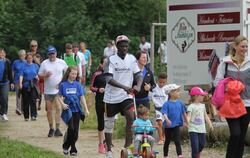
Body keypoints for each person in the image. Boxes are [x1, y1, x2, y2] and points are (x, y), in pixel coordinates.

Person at [103, 35, 143, 158]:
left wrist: (138, 86)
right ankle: (109, 150)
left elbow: (138, 75)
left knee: (131, 117)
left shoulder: (131, 59)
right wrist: (124, 86)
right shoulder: (110, 59)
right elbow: (108, 78)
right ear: (117, 46)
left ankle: (127, 147)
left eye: (126, 46)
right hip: (111, 96)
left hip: (126, 96)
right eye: (122, 46)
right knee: (109, 124)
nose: (125, 48)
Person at [214, 35, 250, 158]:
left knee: (241, 136)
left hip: (247, 104)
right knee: (235, 134)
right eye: (242, 46)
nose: (244, 49)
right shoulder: (225, 63)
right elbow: (218, 82)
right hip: (230, 104)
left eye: (246, 46)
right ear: (235, 46)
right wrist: (229, 87)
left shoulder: (249, 62)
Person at [57, 66, 89, 156]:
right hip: (68, 110)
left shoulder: (78, 85)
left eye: (75, 74)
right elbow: (58, 96)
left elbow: (82, 97)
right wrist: (62, 104)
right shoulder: (63, 85)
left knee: (75, 132)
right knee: (71, 128)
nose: (74, 75)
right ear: (68, 73)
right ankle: (71, 147)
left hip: (77, 110)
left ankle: (68, 146)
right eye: (72, 73)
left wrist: (86, 109)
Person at [38, 46, 68, 137]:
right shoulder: (44, 63)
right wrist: (45, 75)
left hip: (58, 91)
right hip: (48, 91)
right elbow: (39, 75)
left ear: (56, 53)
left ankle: (58, 128)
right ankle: (51, 128)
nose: (52, 55)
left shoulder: (61, 62)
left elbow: (67, 72)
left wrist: (63, 82)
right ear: (48, 54)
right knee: (49, 110)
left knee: (59, 108)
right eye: (50, 54)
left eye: (53, 53)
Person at [161, 84, 188, 158]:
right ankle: (165, 155)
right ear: (171, 93)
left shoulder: (180, 103)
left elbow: (184, 114)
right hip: (168, 126)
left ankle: (179, 155)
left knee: (177, 140)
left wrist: (187, 123)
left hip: (176, 125)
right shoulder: (166, 104)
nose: (179, 93)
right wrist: (167, 120)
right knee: (167, 141)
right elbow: (164, 114)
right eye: (177, 91)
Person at [187, 87, 213, 158]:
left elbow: (206, 116)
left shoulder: (202, 106)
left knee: (202, 144)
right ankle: (195, 155)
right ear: (196, 96)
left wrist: (210, 124)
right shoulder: (191, 106)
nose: (203, 96)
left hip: (202, 129)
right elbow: (188, 116)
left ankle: (197, 154)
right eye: (201, 95)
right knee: (195, 146)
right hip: (193, 129)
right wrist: (187, 123)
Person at [90, 57, 106, 154]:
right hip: (100, 100)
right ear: (100, 64)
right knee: (101, 122)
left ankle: (107, 142)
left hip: (110, 101)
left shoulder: (112, 74)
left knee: (109, 122)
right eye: (105, 63)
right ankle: (101, 144)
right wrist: (98, 89)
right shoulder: (96, 74)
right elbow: (91, 87)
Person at [19, 53, 39, 121]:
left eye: (31, 58)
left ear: (32, 58)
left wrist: (37, 78)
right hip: (25, 85)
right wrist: (20, 83)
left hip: (33, 85)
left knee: (33, 100)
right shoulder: (23, 66)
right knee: (26, 101)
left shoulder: (36, 66)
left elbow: (38, 74)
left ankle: (33, 115)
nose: (29, 59)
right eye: (28, 58)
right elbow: (21, 75)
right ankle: (26, 116)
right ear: (26, 58)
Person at [151, 73, 168, 145]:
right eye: (160, 82)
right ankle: (161, 138)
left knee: (164, 124)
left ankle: (164, 137)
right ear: (157, 81)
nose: (162, 84)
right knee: (159, 123)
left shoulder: (167, 89)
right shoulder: (153, 88)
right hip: (157, 109)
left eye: (163, 82)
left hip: (165, 109)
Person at [0, 49, 14, 121]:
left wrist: (12, 82)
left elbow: (10, 73)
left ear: (5, 54)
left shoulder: (7, 62)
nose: (1, 54)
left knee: (4, 98)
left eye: (3, 53)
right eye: (0, 53)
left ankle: (4, 113)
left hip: (5, 83)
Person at [29, 40, 44, 111]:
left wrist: (36, 60)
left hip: (39, 73)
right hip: (30, 74)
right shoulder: (28, 54)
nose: (34, 47)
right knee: (31, 90)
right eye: (32, 46)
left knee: (39, 91)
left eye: (35, 46)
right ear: (30, 46)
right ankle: (32, 104)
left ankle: (39, 104)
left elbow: (43, 64)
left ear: (37, 46)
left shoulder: (40, 54)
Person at [12, 49, 27, 115]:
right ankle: (18, 109)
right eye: (21, 55)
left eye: (23, 55)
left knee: (24, 95)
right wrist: (12, 81)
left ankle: (23, 109)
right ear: (19, 56)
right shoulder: (15, 62)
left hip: (25, 81)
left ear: (25, 55)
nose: (22, 56)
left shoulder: (27, 62)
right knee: (18, 95)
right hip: (17, 81)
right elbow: (12, 71)